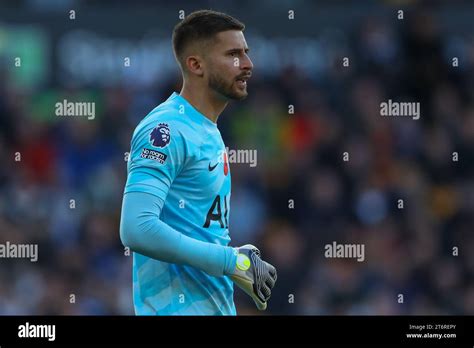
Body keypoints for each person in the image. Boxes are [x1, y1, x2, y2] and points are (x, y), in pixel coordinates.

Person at [120, 9, 277, 315]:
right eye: (233, 54)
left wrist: (234, 259)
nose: (247, 64)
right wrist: (231, 261)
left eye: (246, 53)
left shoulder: (207, 130)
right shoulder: (165, 129)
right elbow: (136, 228)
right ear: (196, 65)